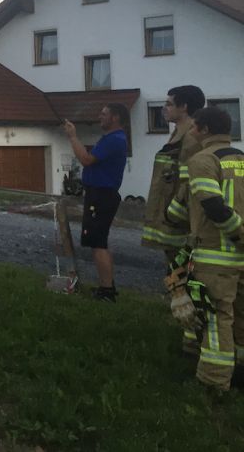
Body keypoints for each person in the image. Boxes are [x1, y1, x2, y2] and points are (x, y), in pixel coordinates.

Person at [177, 106, 244, 392]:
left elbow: (213, 205)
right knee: (240, 317)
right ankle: (239, 372)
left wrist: (240, 235)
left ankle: (214, 383)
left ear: (205, 130)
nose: (191, 131)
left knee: (216, 317)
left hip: (218, 256)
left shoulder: (203, 160)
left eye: (194, 127)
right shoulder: (241, 159)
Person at [141, 86, 206, 352]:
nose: (164, 108)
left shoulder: (191, 137)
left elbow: (190, 183)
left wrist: (175, 214)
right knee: (176, 275)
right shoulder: (178, 133)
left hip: (179, 222)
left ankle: (195, 335)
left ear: (185, 107)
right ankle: (190, 332)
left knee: (186, 276)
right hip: (169, 221)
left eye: (169, 104)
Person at [63, 103, 130, 302]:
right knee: (98, 242)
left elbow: (86, 159)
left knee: (98, 242)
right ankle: (106, 287)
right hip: (100, 194)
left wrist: (73, 137)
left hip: (101, 196)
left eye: (104, 114)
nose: (100, 116)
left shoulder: (114, 139)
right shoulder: (112, 138)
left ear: (115, 117)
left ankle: (107, 291)